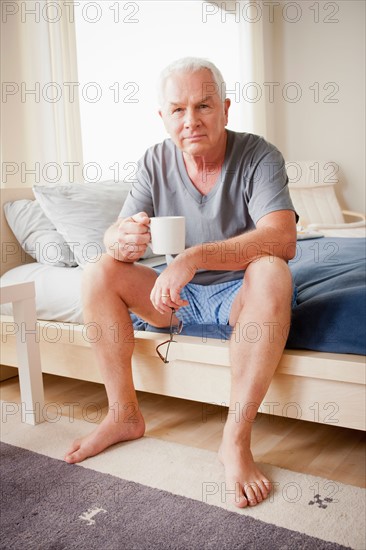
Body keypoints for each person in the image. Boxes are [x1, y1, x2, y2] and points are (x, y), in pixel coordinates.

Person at [64, 57, 298, 509]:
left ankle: (235, 440)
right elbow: (115, 235)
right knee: (98, 270)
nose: (190, 121)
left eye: (203, 106)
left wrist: (194, 256)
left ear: (226, 109)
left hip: (239, 295)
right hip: (178, 298)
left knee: (272, 269)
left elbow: (282, 238)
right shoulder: (154, 160)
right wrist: (120, 239)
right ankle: (123, 415)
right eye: (177, 110)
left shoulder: (259, 155)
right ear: (163, 117)